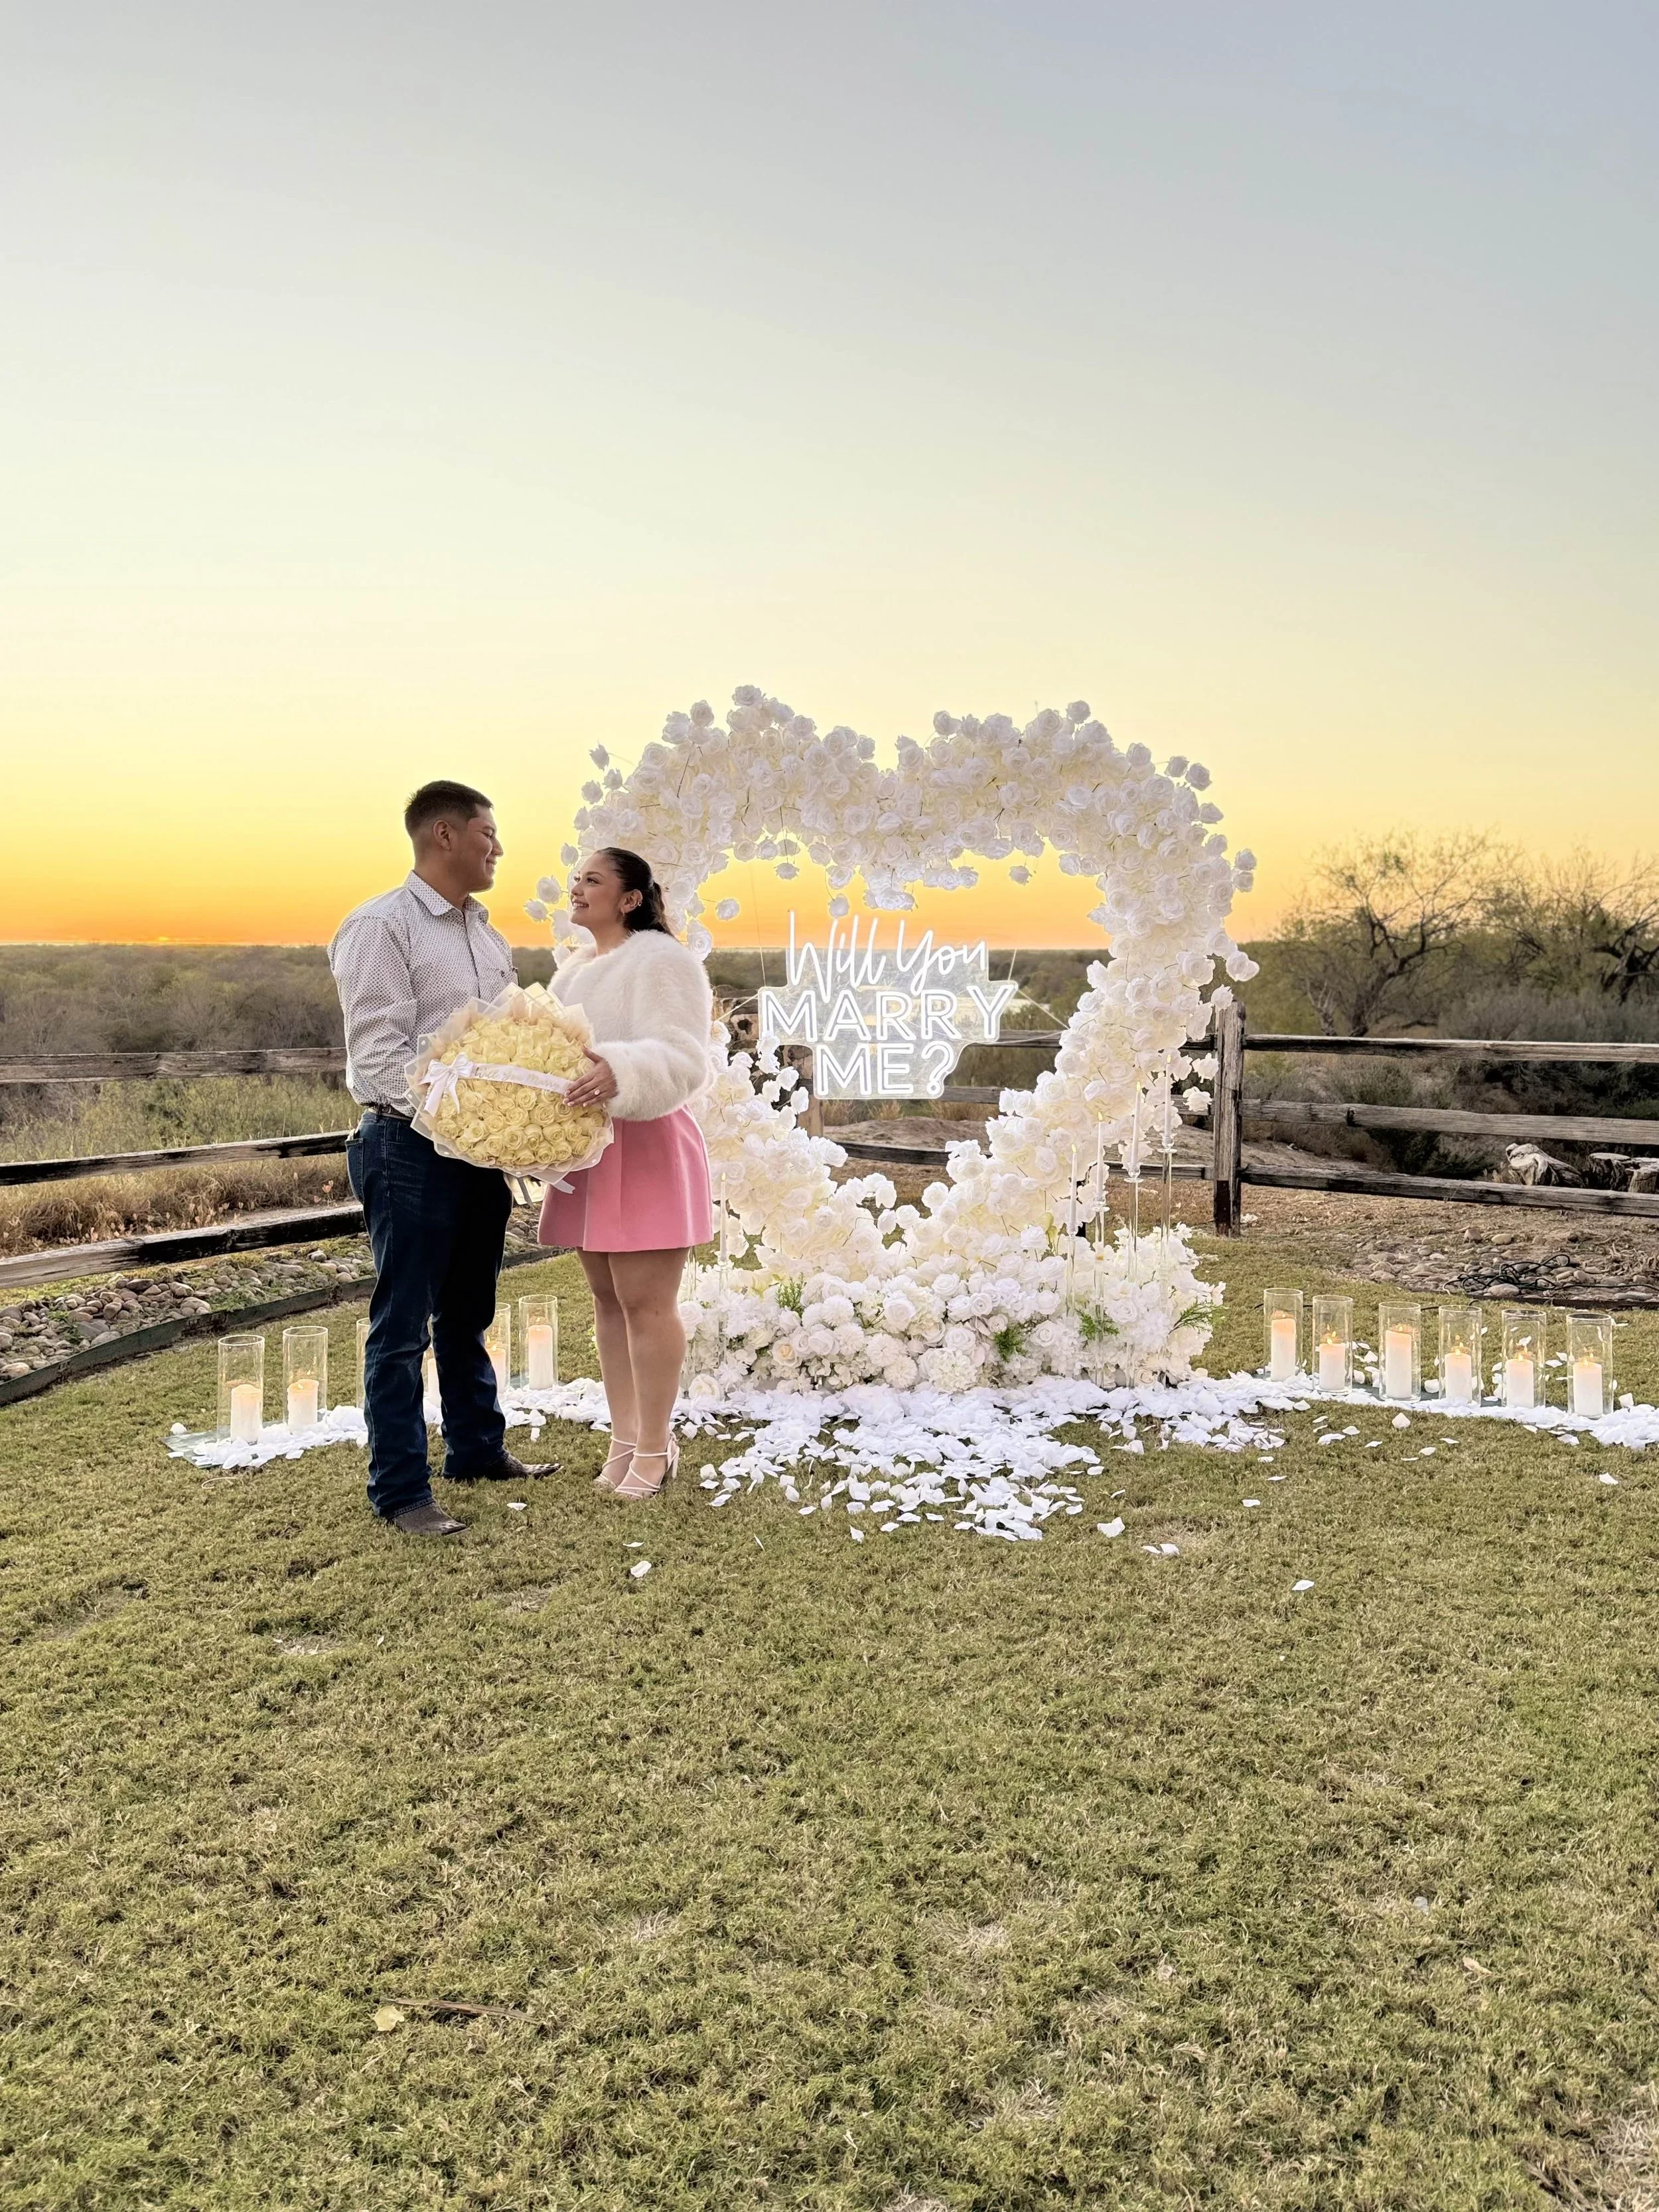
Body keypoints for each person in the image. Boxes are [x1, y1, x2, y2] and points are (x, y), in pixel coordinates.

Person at [329, 780, 540, 1537]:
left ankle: (477, 1450)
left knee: (469, 1312)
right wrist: (458, 1123)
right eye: (488, 833)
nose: (499, 848)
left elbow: (502, 1048)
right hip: (407, 1145)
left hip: (477, 1152)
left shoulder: (487, 934)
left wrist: (514, 1122)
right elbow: (378, 1055)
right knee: (401, 1326)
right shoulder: (381, 925)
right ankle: (400, 1492)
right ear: (444, 834)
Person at [540, 848, 714, 1501]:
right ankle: (624, 1437)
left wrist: (622, 1070)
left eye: (593, 880)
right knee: (608, 1302)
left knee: (646, 1303)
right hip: (591, 1148)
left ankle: (655, 1447)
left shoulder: (663, 959)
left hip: (646, 1142)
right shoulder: (572, 972)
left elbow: (684, 1057)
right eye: (575, 879)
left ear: (631, 898)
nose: (577, 888)